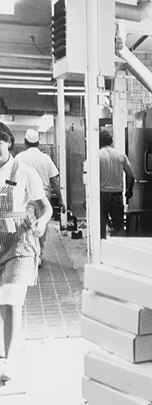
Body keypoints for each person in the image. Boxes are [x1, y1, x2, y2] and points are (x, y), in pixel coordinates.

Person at [0, 122, 52, 385]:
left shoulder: (24, 171)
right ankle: (7, 348)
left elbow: (45, 207)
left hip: (19, 241)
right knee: (2, 302)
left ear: (8, 143)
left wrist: (42, 222)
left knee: (11, 297)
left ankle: (7, 360)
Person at [15, 128, 65, 262]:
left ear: (25, 142)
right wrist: (60, 199)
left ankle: (32, 254)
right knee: (42, 224)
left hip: (26, 198)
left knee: (28, 226)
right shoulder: (46, 159)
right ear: (39, 143)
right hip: (43, 198)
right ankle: (40, 253)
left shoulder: (19, 158)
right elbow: (55, 180)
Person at [99, 128, 135, 238]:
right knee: (119, 226)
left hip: (102, 195)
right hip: (117, 195)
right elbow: (131, 175)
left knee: (100, 226)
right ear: (111, 141)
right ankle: (118, 249)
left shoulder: (97, 155)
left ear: (99, 142)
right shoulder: (121, 155)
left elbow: (90, 177)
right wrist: (129, 190)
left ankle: (101, 250)